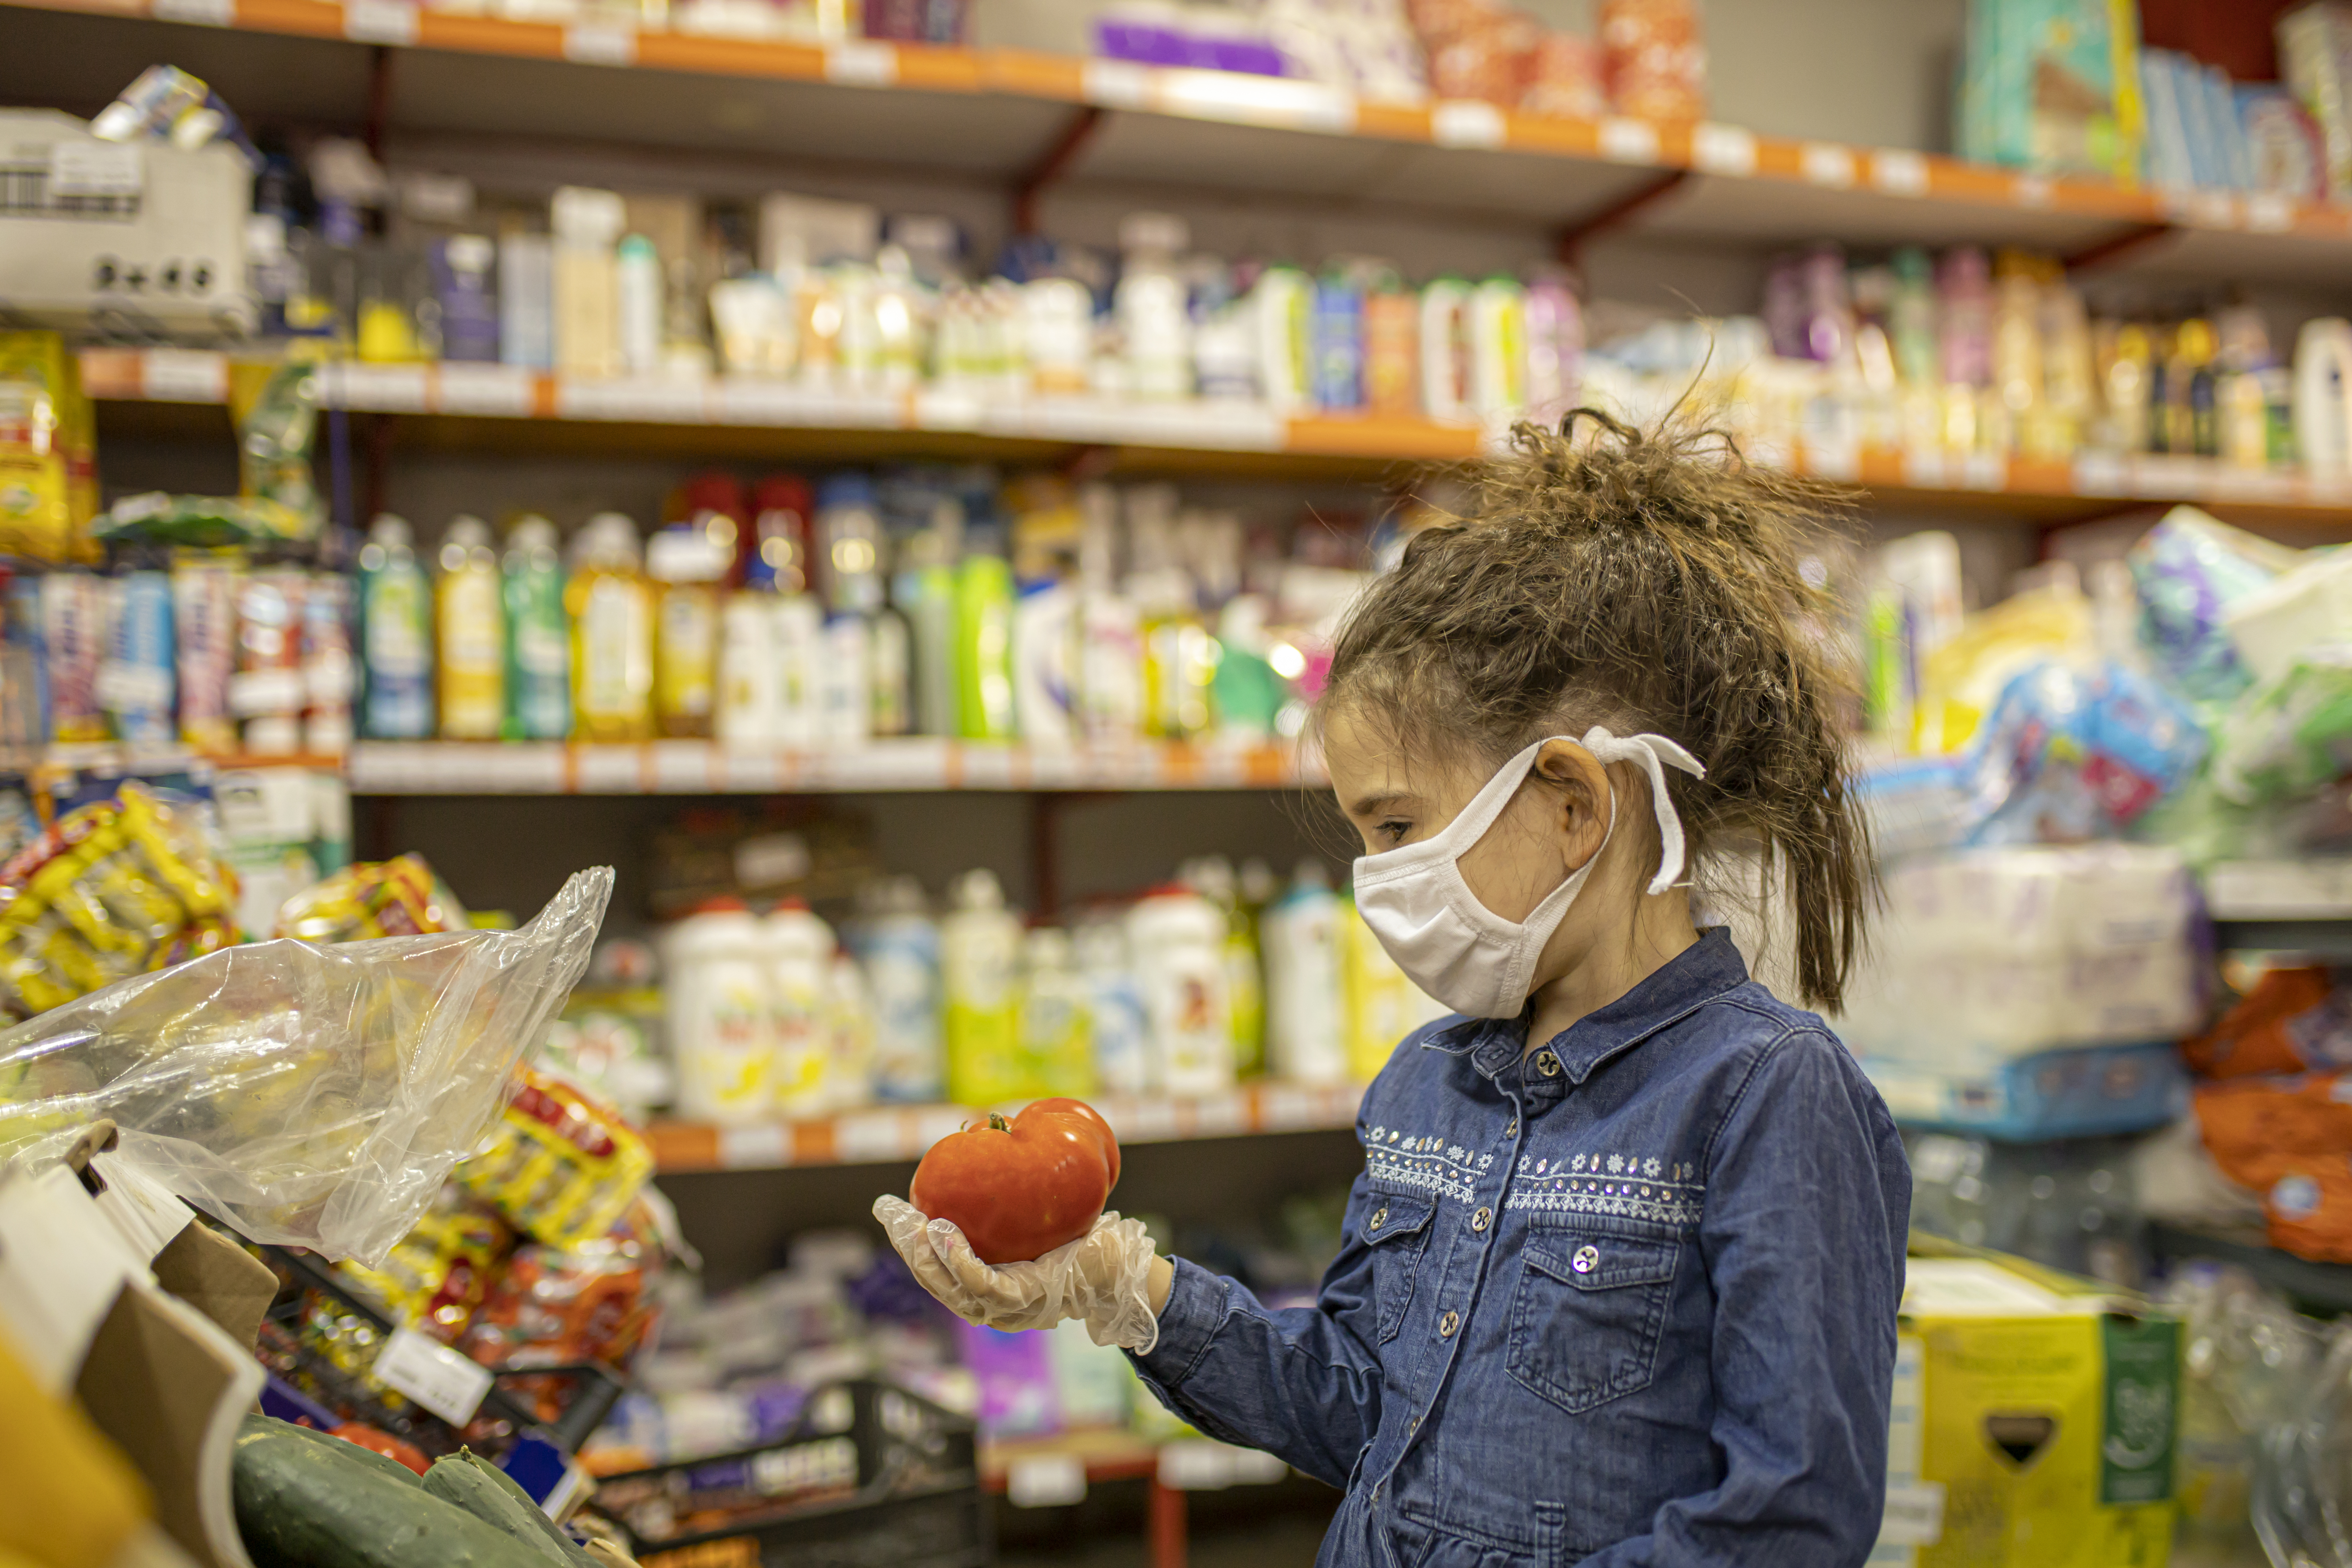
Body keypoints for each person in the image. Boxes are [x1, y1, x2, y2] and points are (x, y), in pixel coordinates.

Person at [875, 413, 1910, 1567]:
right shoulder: (1431, 1082)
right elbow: (1356, 1406)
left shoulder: (1766, 1098)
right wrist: (1122, 1289)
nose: (1378, 880)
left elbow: (1790, 1519)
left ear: (1572, 803)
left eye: (1399, 826)